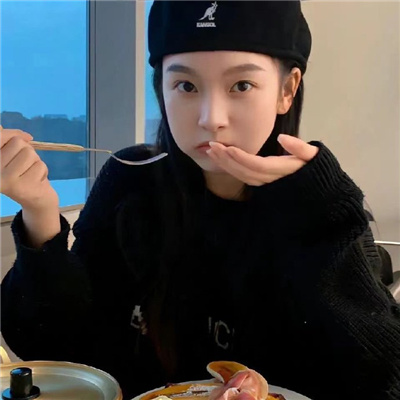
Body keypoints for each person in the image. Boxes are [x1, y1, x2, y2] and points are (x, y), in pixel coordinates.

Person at [1, 1, 400, 399]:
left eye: (241, 86)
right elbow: (54, 347)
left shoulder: (321, 207)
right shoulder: (130, 184)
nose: (211, 118)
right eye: (186, 86)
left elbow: (384, 382)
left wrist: (324, 210)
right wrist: (39, 213)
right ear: (162, 89)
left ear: (286, 90)